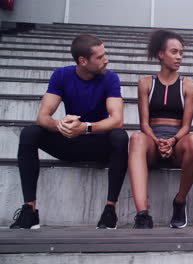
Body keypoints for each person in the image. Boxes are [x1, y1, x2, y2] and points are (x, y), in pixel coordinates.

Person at [10, 34, 129, 229]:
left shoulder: (110, 78)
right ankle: (29, 210)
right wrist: (61, 125)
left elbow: (117, 121)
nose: (105, 60)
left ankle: (110, 210)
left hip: (97, 144)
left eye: (104, 55)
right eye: (99, 57)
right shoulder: (61, 75)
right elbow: (43, 117)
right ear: (83, 61)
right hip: (69, 140)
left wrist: (86, 127)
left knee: (120, 137)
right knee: (30, 133)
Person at [128, 30, 193, 229]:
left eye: (181, 53)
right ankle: (142, 214)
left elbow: (186, 126)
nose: (179, 56)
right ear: (161, 54)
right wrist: (157, 141)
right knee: (136, 138)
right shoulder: (146, 83)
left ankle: (179, 201)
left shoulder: (187, 85)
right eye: (174, 52)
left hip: (177, 143)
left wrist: (171, 141)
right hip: (152, 142)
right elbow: (144, 123)